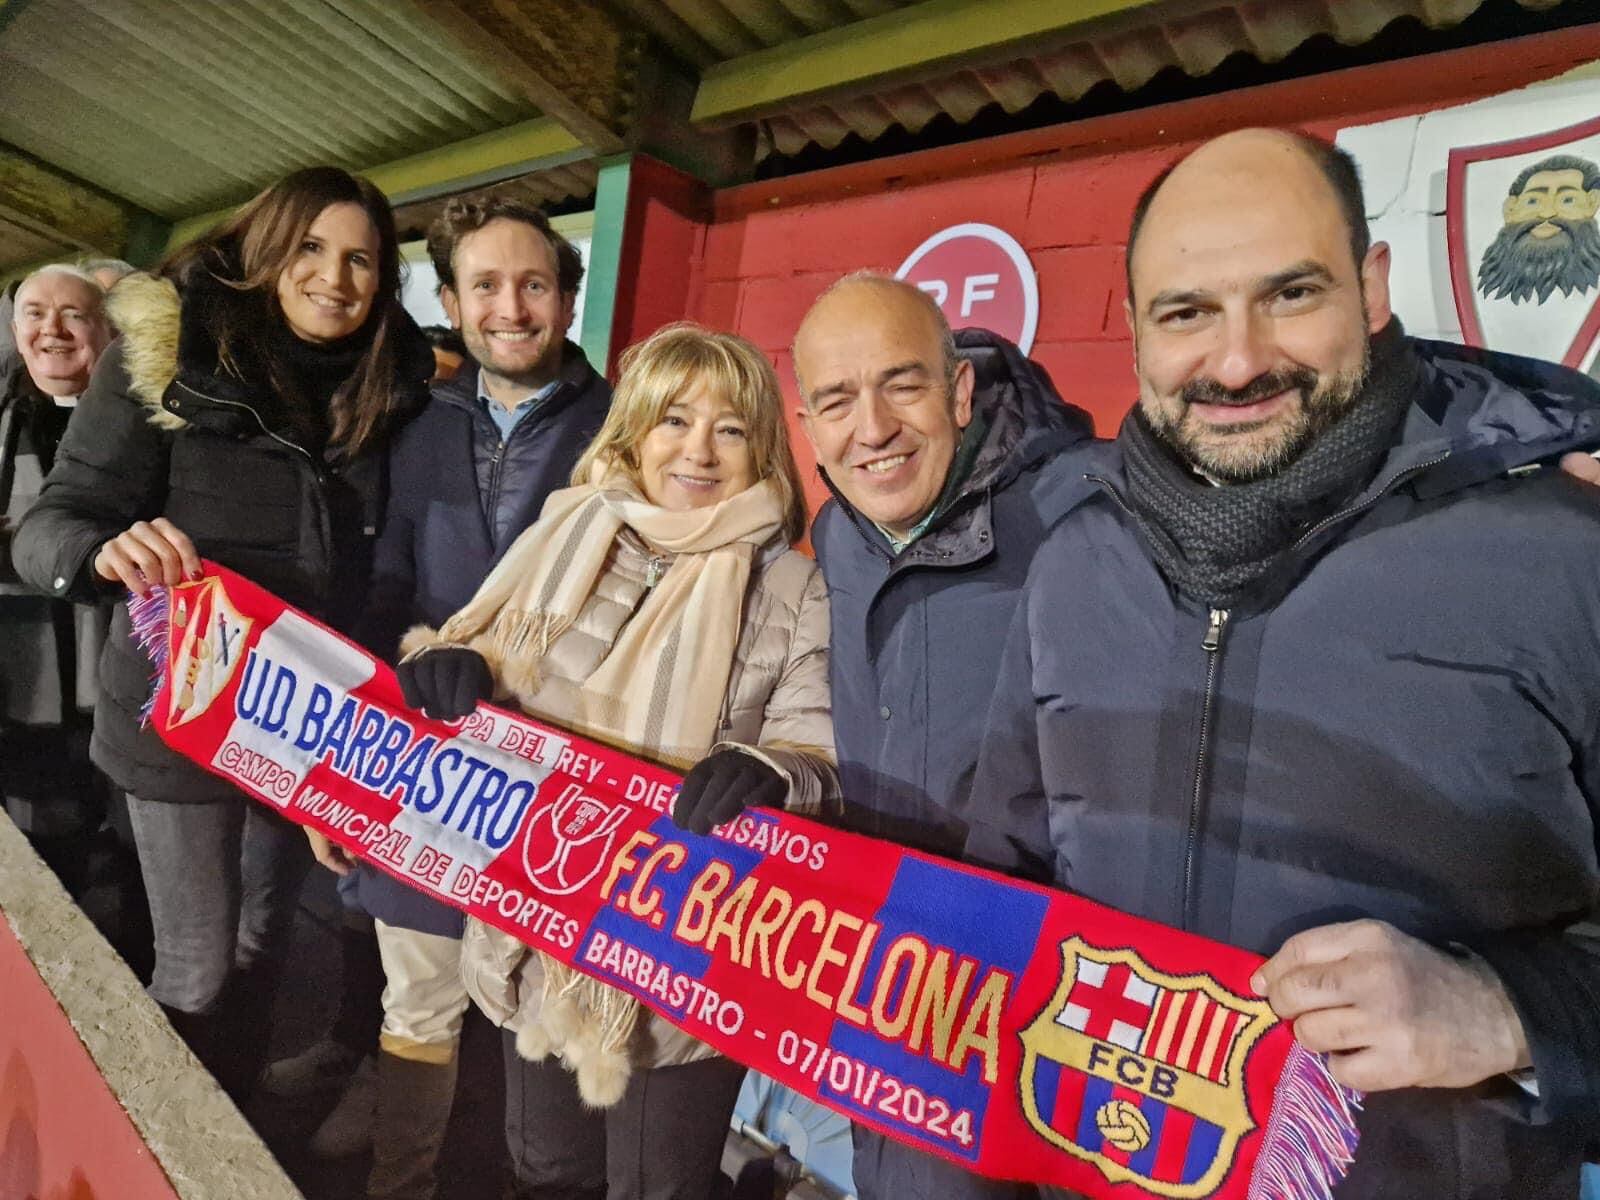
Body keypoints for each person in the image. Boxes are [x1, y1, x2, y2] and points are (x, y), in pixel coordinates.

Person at [970, 128, 1600, 1197]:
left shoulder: (1562, 560)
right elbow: (1004, 879)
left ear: (1372, 286)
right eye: (1187, 312)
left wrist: (1508, 1013)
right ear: (1133, 327)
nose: (1235, 360)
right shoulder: (1075, 560)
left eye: (1291, 294)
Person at [11, 166, 434, 1100]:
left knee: (262, 940)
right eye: (312, 249)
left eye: (362, 259)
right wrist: (104, 548)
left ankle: (234, 1119)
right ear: (265, 250)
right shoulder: (165, 354)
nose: (337, 277)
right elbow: (55, 519)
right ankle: (159, 1147)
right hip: (181, 713)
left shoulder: (390, 388)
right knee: (197, 962)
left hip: (303, 718)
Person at [396, 322, 836, 1200]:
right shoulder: (561, 537)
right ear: (633, 431)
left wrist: (776, 771)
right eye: (674, 420)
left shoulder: (792, 584)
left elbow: (815, 743)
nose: (699, 451)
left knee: (659, 1188)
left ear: (763, 451)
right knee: (545, 1168)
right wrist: (449, 665)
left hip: (684, 958)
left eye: (731, 429)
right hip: (533, 925)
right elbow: (462, 661)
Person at [290, 196, 612, 1197]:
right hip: (431, 759)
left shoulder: (626, 432)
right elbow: (386, 584)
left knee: (544, 1021)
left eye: (532, 284)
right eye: (485, 285)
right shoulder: (418, 423)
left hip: (560, 776)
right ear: (451, 300)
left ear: (568, 296)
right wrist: (368, 733)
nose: (509, 307)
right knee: (418, 996)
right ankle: (400, 1172)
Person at [1, 265, 113, 841]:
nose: (53, 329)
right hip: (22, 676)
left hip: (121, 672)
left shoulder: (146, 422)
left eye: (74, 314)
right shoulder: (6, 417)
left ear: (108, 329)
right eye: (35, 314)